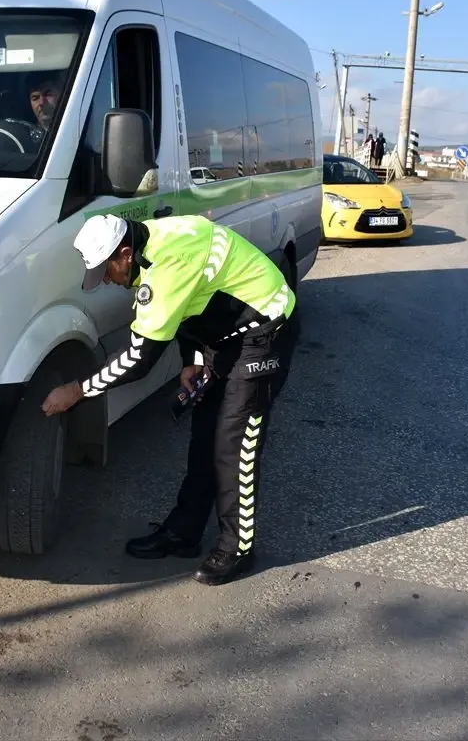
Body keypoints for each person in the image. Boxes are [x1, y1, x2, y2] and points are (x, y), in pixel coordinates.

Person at [40, 213, 299, 586]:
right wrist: (193, 361)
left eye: (107, 272)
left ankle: (237, 548)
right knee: (204, 437)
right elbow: (189, 307)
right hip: (225, 336)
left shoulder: (167, 263)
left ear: (124, 254)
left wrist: (77, 391)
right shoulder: (154, 243)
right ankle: (183, 532)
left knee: (234, 446)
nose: (109, 282)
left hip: (265, 332)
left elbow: (138, 359)